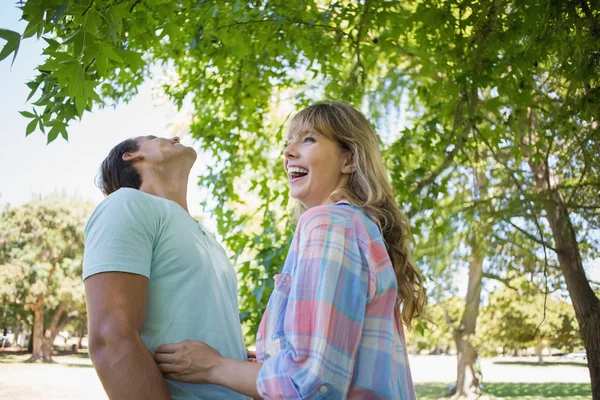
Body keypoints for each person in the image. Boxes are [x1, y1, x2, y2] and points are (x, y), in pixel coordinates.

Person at [154, 102, 426, 399]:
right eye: (289, 143)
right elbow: (336, 363)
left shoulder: (328, 225)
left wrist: (213, 367)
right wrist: (268, 363)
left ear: (349, 159)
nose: (288, 152)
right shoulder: (355, 226)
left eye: (308, 139)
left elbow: (309, 382)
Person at [83, 135, 248, 399]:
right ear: (132, 156)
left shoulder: (207, 237)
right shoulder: (126, 204)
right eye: (153, 138)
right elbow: (109, 338)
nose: (174, 137)